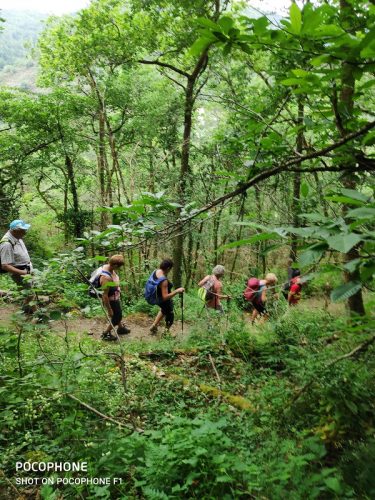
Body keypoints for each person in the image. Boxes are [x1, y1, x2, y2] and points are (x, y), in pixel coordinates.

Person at [94, 254, 130, 341]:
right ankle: (105, 334)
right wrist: (109, 309)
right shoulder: (106, 277)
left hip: (115, 296)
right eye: (119, 267)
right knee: (117, 316)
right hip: (111, 300)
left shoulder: (108, 267)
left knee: (117, 315)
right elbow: (105, 295)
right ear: (115, 265)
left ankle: (120, 328)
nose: (119, 269)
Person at [0, 220, 34, 312]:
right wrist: (24, 272)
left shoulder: (18, 237)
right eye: (23, 230)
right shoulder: (6, 244)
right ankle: (26, 314)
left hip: (27, 270)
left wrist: (30, 267)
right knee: (30, 294)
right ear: (14, 230)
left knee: (31, 293)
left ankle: (28, 312)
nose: (25, 232)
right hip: (20, 272)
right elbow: (5, 266)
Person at [147, 259, 184, 335]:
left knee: (164, 310)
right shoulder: (164, 281)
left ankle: (154, 326)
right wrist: (177, 291)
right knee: (170, 314)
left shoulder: (156, 271)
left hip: (154, 296)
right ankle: (166, 333)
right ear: (168, 268)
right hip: (160, 299)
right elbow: (165, 297)